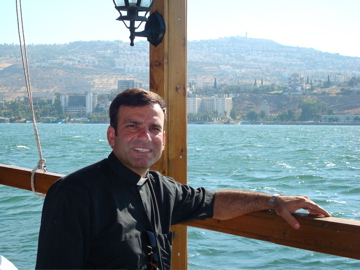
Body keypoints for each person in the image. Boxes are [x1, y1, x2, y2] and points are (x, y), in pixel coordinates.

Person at [36, 88, 330, 269]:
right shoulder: (73, 194)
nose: (145, 136)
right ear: (111, 135)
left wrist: (273, 200)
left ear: (163, 138)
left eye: (154, 128)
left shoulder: (162, 190)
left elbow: (216, 203)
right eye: (133, 126)